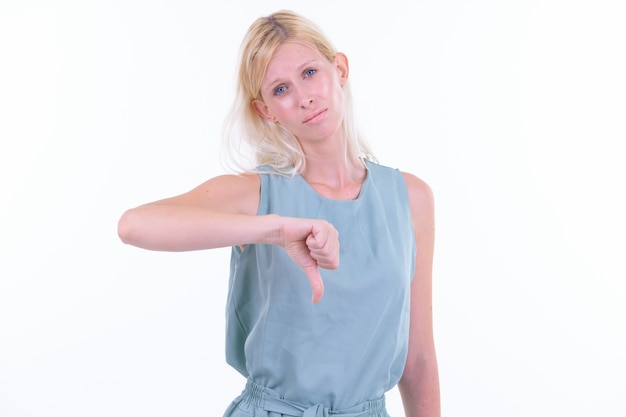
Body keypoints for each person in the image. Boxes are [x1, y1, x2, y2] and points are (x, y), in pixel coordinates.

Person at [118, 9, 440, 417]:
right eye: (281, 89)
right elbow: (134, 225)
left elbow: (419, 359)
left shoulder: (411, 197)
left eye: (309, 73)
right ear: (266, 110)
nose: (303, 96)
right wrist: (273, 229)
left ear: (339, 68)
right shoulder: (257, 193)